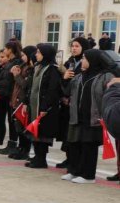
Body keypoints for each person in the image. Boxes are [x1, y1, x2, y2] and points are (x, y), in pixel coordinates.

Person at [62, 49, 114, 183]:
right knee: (74, 144)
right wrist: (66, 79)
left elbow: (110, 94)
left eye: (85, 58)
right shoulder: (80, 76)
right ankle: (74, 171)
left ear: (93, 60)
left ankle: (88, 175)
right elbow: (67, 92)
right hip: (77, 116)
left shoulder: (105, 76)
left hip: (93, 117)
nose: (83, 61)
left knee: (88, 146)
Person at [24, 44, 62, 169]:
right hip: (34, 106)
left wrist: (45, 107)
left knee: (43, 134)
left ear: (45, 54)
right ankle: (36, 156)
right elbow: (30, 87)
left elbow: (52, 91)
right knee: (34, 132)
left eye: (39, 52)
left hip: (46, 108)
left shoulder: (52, 69)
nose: (36, 54)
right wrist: (25, 102)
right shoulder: (37, 67)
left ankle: (41, 159)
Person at [56, 38, 88, 168]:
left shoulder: (86, 63)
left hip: (78, 104)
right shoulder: (70, 62)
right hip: (67, 103)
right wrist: (64, 79)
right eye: (72, 46)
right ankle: (69, 158)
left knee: (76, 134)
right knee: (66, 132)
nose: (74, 48)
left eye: (77, 46)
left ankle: (76, 161)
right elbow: (63, 82)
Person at [8, 46, 37, 161]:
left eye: (24, 55)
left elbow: (25, 85)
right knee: (18, 127)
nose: (22, 57)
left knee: (24, 127)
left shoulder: (31, 69)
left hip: (23, 100)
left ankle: (25, 150)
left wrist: (16, 76)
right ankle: (21, 148)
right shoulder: (23, 66)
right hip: (16, 99)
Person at [0, 42, 23, 154]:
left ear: (10, 50)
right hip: (5, 95)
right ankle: (11, 143)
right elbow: (1, 77)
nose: (4, 50)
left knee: (13, 121)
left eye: (6, 49)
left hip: (12, 95)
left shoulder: (16, 62)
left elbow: (10, 80)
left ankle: (14, 144)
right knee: (10, 120)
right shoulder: (9, 63)